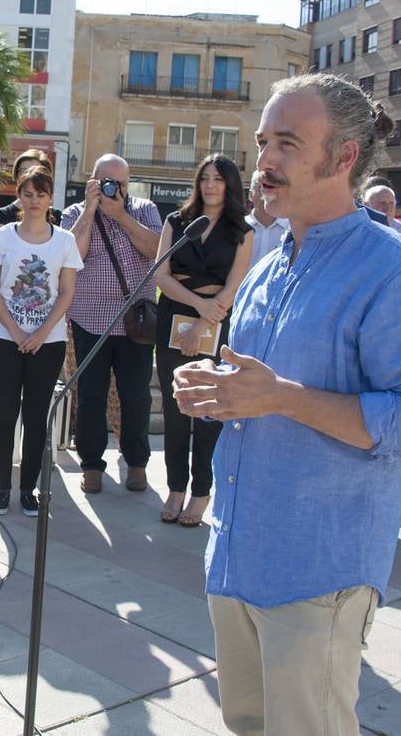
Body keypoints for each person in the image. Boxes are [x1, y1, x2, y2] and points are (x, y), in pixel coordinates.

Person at [172, 73, 401, 736]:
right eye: (263, 140)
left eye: (288, 144)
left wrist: (281, 397)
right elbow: (263, 392)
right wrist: (219, 391)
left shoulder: (397, 273)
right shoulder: (271, 267)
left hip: (317, 572)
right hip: (236, 555)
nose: (265, 160)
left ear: (344, 157)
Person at [155, 154, 253, 527]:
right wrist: (197, 306)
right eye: (205, 178)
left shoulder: (242, 230)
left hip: (218, 320)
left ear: (230, 185)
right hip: (175, 315)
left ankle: (200, 493)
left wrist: (206, 318)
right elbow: (162, 276)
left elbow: (235, 283)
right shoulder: (176, 222)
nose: (210, 185)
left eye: (218, 179)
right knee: (177, 404)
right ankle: (175, 488)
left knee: (208, 407)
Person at [60, 154, 162, 493]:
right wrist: (90, 211)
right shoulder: (75, 213)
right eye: (104, 180)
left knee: (137, 396)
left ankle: (136, 463)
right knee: (90, 395)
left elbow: (157, 251)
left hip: (136, 322)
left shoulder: (144, 208)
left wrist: (121, 215)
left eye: (118, 183)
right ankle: (91, 465)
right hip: (90, 320)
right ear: (91, 180)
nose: (110, 188)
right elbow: (71, 256)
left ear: (127, 184)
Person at [0, 167, 81, 515]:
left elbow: (66, 292)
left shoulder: (65, 241)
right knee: (5, 412)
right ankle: (3, 489)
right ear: (18, 196)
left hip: (48, 340)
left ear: (51, 198)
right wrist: (17, 332)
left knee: (37, 415)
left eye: (41, 194)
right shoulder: (3, 237)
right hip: (3, 337)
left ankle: (29, 490)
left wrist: (39, 333)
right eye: (27, 193)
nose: (34, 200)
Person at [0, 148, 63, 227]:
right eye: (24, 171)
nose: (29, 175)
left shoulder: (58, 217)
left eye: (35, 171)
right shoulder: (4, 214)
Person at [244, 169, 287, 260]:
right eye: (260, 188)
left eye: (270, 187)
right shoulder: (239, 228)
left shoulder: (290, 230)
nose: (265, 194)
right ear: (251, 195)